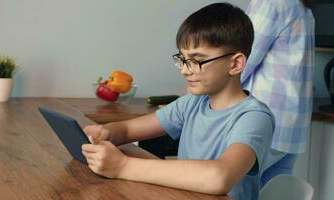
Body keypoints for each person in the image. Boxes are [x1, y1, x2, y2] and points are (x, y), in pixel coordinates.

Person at [82, 3, 274, 199]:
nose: (184, 70)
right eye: (182, 59)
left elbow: (220, 176)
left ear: (235, 64)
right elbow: (128, 130)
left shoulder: (254, 117)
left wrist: (123, 166)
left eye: (196, 60)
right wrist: (106, 133)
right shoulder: (191, 103)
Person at [242, 0, 315, 186]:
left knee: (236, 189)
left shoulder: (271, 3)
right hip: (292, 126)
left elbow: (241, 61)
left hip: (265, 121)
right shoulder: (303, 7)